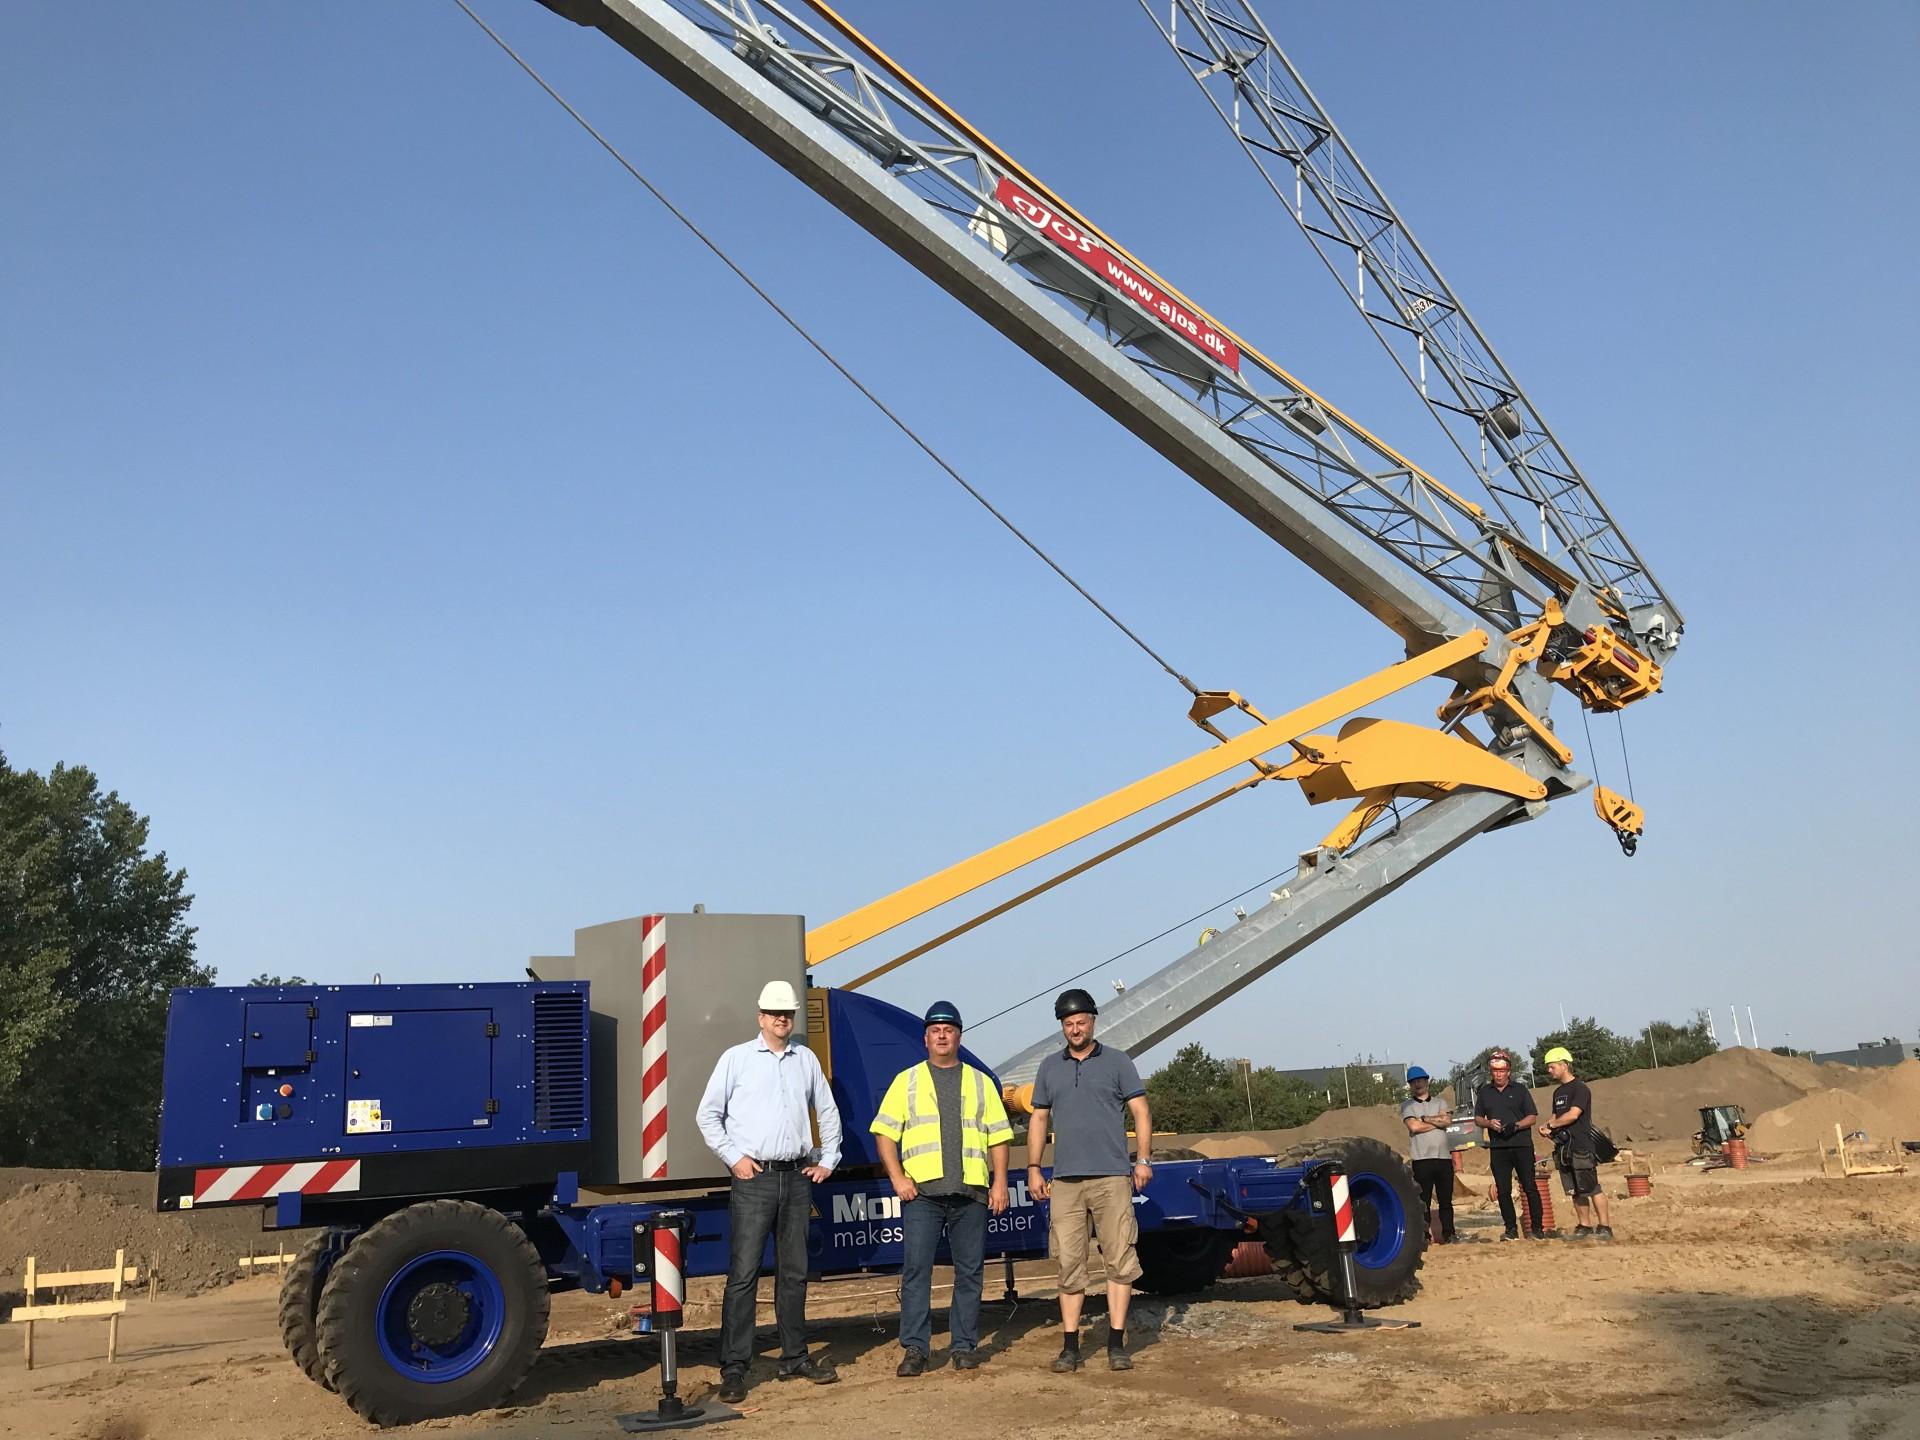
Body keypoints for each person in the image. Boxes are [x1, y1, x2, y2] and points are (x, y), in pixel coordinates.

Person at [696, 978, 844, 1403]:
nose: (783, 1019)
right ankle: (735, 1367)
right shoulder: (736, 1060)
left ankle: (795, 1357)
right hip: (754, 1179)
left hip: (797, 1177)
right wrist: (734, 1158)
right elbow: (708, 1115)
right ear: (760, 1017)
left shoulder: (805, 1060)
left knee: (794, 1273)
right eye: (775, 1013)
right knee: (743, 1276)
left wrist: (827, 1160)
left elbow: (828, 1111)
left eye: (788, 1014)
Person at [870, 1000, 1013, 1376]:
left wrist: (999, 1183)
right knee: (917, 1272)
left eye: (949, 1030)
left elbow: (999, 1138)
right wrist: (897, 1178)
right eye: (935, 1030)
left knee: (970, 1273)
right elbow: (884, 1134)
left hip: (971, 1194)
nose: (942, 1035)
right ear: (926, 1037)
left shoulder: (980, 1082)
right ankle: (916, 1349)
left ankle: (963, 1346)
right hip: (924, 1196)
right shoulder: (908, 1081)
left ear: (959, 1036)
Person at [1025, 988, 1153, 1374]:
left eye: (1081, 1022)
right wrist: (1034, 1166)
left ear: (1093, 1021)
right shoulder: (1049, 1067)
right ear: (1062, 1026)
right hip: (1065, 1181)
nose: (1075, 1028)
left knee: (1119, 1261)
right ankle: (1070, 1347)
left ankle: (1116, 1343)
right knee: (1069, 1264)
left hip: (1112, 1177)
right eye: (1068, 1023)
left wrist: (1143, 1160)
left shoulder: (1117, 1062)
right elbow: (1038, 1118)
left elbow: (1141, 1111)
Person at [1539, 1045, 1613, 1242]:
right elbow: (1557, 1115)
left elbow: (1573, 1115)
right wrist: (1547, 1127)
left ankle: (1605, 1226)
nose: (1549, 1070)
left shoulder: (1580, 1088)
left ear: (1564, 1065)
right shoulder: (1558, 1092)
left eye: (1552, 1066)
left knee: (1592, 1188)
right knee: (1574, 1190)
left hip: (1581, 1147)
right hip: (1564, 1149)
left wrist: (1551, 1124)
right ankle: (1584, 1226)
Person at [1472, 1050, 1544, 1240]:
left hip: (1521, 1145)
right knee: (1503, 1190)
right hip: (1498, 1147)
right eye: (1495, 1070)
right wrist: (1489, 1123)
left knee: (1529, 1187)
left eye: (1502, 1070)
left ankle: (1537, 1228)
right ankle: (1510, 1228)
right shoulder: (1485, 1092)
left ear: (1508, 1071)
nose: (1498, 1074)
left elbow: (1532, 1117)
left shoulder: (1520, 1090)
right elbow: (1478, 1118)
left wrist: (1516, 1125)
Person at [1400, 1066, 1455, 1244]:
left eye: (1421, 1080)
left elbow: (1447, 1121)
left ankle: (1449, 1233)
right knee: (1423, 1202)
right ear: (1410, 1085)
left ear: (1427, 1081)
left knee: (1446, 1200)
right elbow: (1413, 1127)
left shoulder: (1440, 1102)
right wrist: (1437, 1122)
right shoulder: (1408, 1106)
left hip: (1443, 1158)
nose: (1418, 1084)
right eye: (1414, 1081)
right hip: (1421, 1159)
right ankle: (1424, 1235)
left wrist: (1425, 1119)